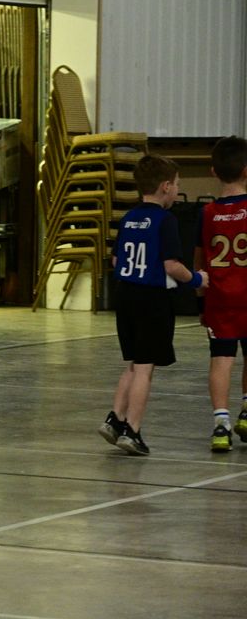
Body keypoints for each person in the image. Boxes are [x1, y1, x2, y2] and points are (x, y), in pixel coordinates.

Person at [99, 154, 205, 456]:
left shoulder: (128, 217)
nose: (177, 190)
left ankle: (115, 418)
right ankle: (132, 430)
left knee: (134, 363)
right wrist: (197, 279)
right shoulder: (165, 220)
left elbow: (116, 259)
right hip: (151, 298)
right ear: (165, 187)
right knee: (146, 368)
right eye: (177, 185)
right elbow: (172, 265)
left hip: (125, 294)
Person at [193, 136, 247, 452]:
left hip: (219, 298)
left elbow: (199, 262)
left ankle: (221, 425)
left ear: (213, 171)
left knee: (221, 360)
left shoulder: (207, 213)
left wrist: (201, 302)